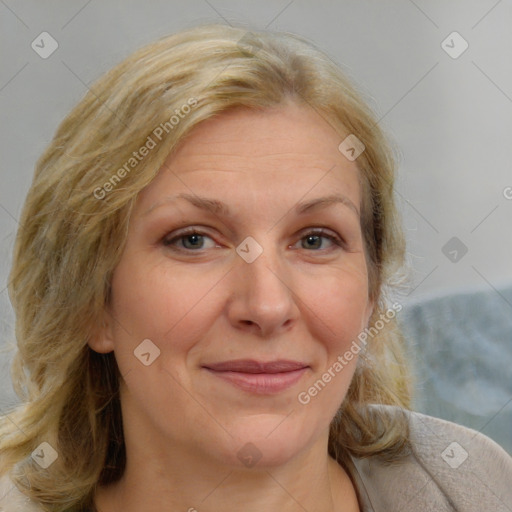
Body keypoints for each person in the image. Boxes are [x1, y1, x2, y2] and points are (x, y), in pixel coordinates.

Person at [0, 23, 510, 512]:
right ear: (91, 300)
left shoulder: (471, 486)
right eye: (194, 240)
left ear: (371, 294)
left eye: (315, 240)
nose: (267, 306)